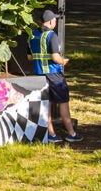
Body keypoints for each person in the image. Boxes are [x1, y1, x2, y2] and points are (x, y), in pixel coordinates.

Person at [30, 10, 82, 143]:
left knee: (46, 104)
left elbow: (29, 57)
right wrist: (63, 61)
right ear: (49, 22)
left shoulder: (32, 34)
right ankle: (71, 133)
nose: (56, 22)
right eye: (55, 20)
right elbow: (55, 57)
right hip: (54, 75)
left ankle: (51, 134)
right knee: (63, 102)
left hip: (38, 74)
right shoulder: (52, 35)